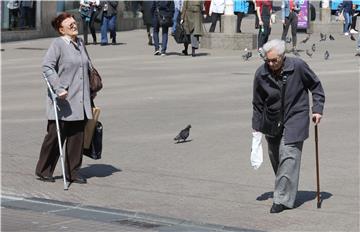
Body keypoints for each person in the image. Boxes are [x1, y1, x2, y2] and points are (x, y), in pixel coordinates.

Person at [252, 39, 325, 213]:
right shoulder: (261, 73)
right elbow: (257, 103)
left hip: (295, 117)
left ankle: (281, 199)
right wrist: (256, 127)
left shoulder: (298, 66)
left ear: (283, 56)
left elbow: (316, 86)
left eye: (274, 60)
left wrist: (317, 109)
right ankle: (285, 189)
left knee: (289, 155)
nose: (270, 64)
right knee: (276, 157)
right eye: (267, 61)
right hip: (272, 120)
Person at [35, 13, 93, 184]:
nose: (75, 26)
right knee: (54, 137)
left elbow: (87, 65)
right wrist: (59, 88)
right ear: (61, 30)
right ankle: (44, 170)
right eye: (70, 25)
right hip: (63, 100)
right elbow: (47, 66)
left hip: (81, 100)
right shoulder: (58, 44)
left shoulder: (80, 43)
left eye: (75, 23)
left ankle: (72, 172)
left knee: (77, 138)